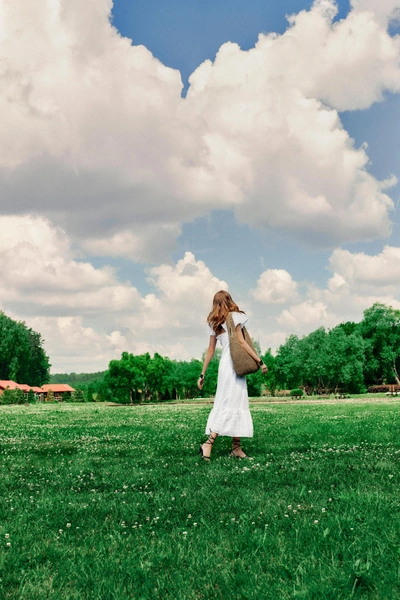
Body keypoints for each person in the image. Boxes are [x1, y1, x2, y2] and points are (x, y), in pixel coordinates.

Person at [197, 290, 268, 461]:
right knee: (230, 403)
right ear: (229, 301)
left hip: (225, 366)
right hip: (235, 365)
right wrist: (260, 361)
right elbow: (242, 342)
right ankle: (208, 443)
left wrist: (202, 374)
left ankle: (236, 447)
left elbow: (210, 351)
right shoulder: (234, 317)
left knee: (233, 403)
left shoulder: (214, 322)